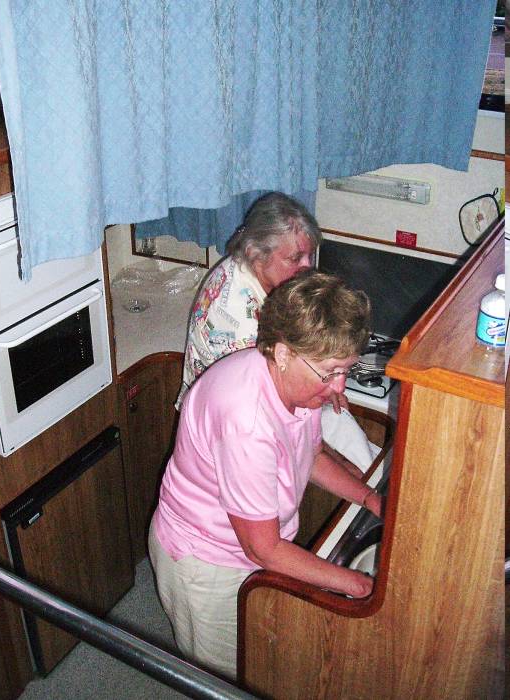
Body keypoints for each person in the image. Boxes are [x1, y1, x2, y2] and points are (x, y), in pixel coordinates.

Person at [149, 270, 383, 680]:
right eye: (330, 372)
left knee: (259, 659)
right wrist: (358, 586)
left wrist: (369, 498)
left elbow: (309, 456)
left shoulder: (299, 386)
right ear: (282, 353)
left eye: (347, 368)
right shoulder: (247, 421)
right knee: (225, 678)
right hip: (206, 564)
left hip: (253, 550)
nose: (338, 387)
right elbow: (264, 549)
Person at [176, 190, 374, 474]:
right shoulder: (238, 320)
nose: (307, 267)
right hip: (226, 437)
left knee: (354, 446)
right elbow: (276, 415)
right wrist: (341, 466)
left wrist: (326, 382)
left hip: (260, 405)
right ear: (257, 255)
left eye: (310, 255)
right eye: (295, 258)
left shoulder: (264, 277)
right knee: (355, 463)